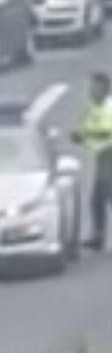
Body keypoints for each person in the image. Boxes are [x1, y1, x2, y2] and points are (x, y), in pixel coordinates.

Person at [72, 71, 112, 250]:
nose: (91, 91)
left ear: (104, 89)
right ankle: (98, 237)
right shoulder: (96, 108)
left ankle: (98, 237)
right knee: (97, 202)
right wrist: (82, 138)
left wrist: (83, 136)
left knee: (100, 200)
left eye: (95, 87)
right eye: (91, 87)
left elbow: (106, 133)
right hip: (104, 163)